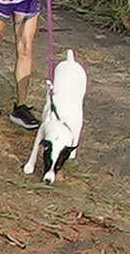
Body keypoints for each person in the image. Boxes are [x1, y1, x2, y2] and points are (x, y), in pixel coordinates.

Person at [25, 46, 87, 180]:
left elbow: (79, 121)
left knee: (77, 103)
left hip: (77, 78)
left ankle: (70, 151)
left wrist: (73, 145)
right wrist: (31, 161)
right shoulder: (48, 124)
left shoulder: (74, 118)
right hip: (63, 78)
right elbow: (41, 132)